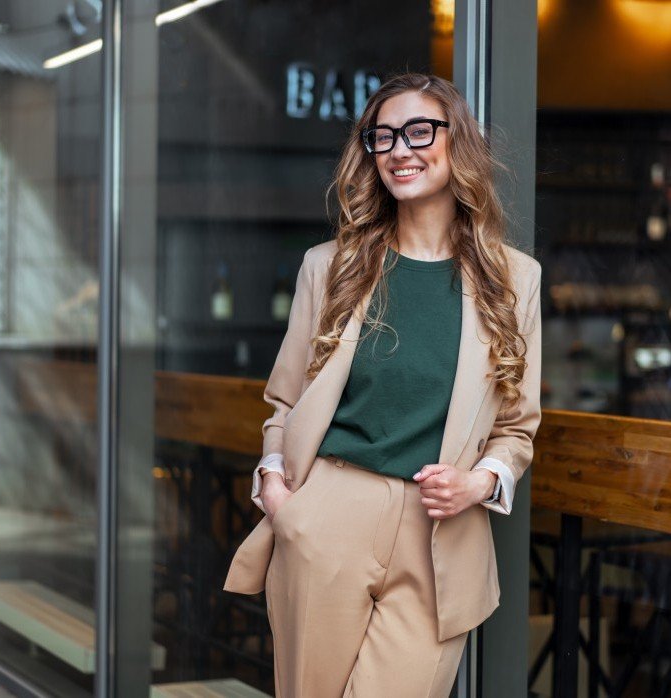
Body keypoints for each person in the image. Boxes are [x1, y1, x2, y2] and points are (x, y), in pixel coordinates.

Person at [223, 72, 542, 698]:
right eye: (383, 136)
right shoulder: (330, 265)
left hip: (440, 533)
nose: (401, 149)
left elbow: (517, 428)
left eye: (420, 131)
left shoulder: (516, 279)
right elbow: (286, 398)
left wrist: (479, 482)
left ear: (460, 144)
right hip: (328, 514)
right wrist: (276, 490)